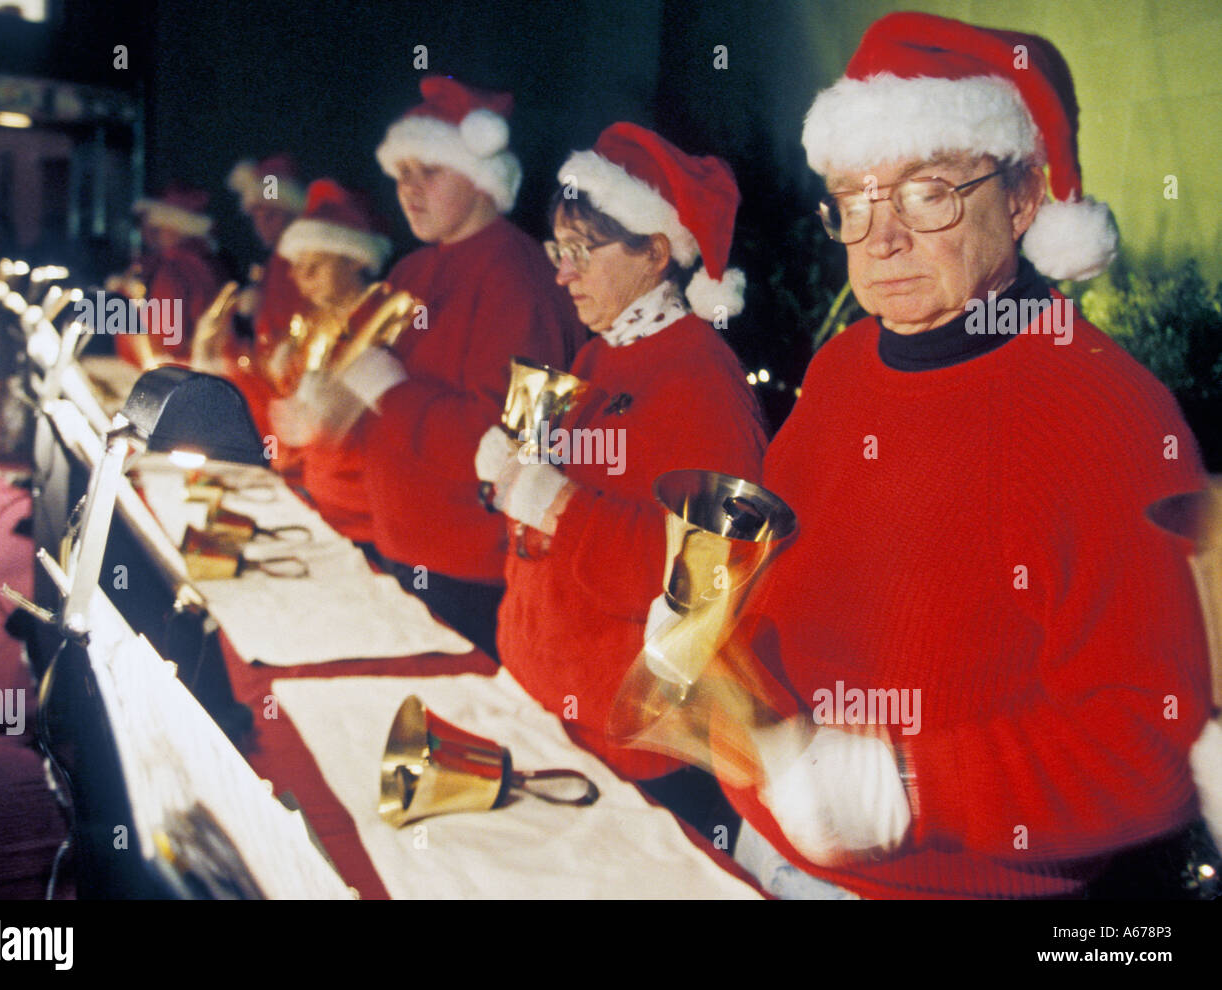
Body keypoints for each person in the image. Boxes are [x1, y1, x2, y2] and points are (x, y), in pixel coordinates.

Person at [716, 11, 1213, 899]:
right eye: (855, 200)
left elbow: (1156, 744)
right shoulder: (839, 368)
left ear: (1023, 197)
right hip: (758, 851)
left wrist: (905, 787)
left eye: (926, 192)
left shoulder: (1117, 415)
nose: (881, 237)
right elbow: (770, 565)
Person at [475, 123, 766, 794]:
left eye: (583, 249)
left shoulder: (701, 382)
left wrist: (557, 503)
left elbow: (705, 586)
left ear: (656, 254)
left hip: (627, 750)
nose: (560, 271)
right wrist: (511, 473)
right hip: (545, 708)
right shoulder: (597, 351)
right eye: (558, 247)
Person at [337, 76, 583, 658]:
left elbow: (511, 445)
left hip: (469, 574)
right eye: (402, 175)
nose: (409, 191)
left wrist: (389, 391)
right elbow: (371, 413)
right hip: (394, 544)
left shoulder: (519, 279)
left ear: (480, 179)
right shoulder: (413, 271)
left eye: (430, 173)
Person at [265, 178, 392, 544]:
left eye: (314, 266)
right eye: (297, 266)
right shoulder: (312, 321)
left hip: (363, 520)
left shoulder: (380, 324)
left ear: (354, 260)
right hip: (319, 501)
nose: (301, 279)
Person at [112, 183, 225, 367]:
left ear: (177, 226)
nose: (148, 236)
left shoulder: (174, 270)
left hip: (176, 372)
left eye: (157, 228)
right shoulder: (208, 263)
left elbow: (166, 339)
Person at [225, 153, 308, 360]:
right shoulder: (275, 261)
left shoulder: (302, 260)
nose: (262, 225)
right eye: (256, 216)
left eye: (271, 215)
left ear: (293, 213)